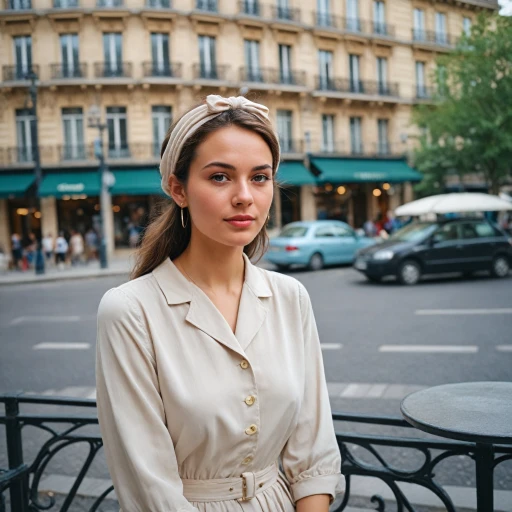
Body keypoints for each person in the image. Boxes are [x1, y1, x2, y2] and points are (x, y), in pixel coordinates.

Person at [96, 95, 343, 512]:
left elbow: (314, 449)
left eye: (260, 177)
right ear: (178, 189)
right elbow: (149, 487)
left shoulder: (290, 297)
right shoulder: (131, 311)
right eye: (220, 177)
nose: (245, 196)